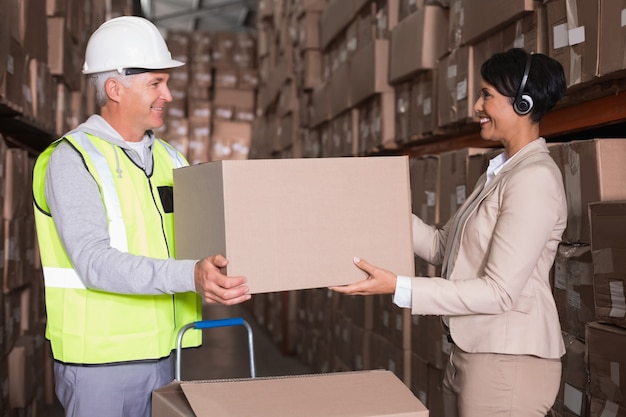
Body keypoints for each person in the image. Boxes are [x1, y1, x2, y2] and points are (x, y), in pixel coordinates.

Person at [32, 16, 251, 417]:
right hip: (102, 365)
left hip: (166, 353)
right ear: (114, 88)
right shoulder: (73, 160)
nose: (168, 94)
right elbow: (93, 262)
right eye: (156, 83)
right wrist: (191, 276)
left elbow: (195, 240)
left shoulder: (171, 158)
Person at [332, 47, 568, 417]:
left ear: (523, 105)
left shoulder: (533, 179)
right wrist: (380, 211)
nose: (476, 105)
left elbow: (499, 292)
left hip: (508, 363)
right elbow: (446, 247)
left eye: (487, 95)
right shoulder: (499, 173)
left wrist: (399, 286)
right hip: (470, 354)